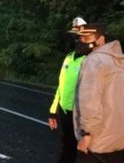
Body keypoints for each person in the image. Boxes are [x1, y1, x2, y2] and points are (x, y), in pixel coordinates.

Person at [74, 23, 124, 163]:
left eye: (87, 38)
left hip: (97, 141)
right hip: (120, 139)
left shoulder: (94, 60)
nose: (82, 42)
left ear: (101, 40)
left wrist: (87, 133)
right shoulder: (123, 64)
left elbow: (89, 101)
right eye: (81, 38)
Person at [48, 17, 88, 163]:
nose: (76, 39)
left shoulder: (91, 60)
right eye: (74, 36)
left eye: (79, 36)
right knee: (64, 152)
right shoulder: (69, 58)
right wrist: (53, 111)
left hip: (83, 118)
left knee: (84, 154)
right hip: (65, 115)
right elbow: (61, 86)